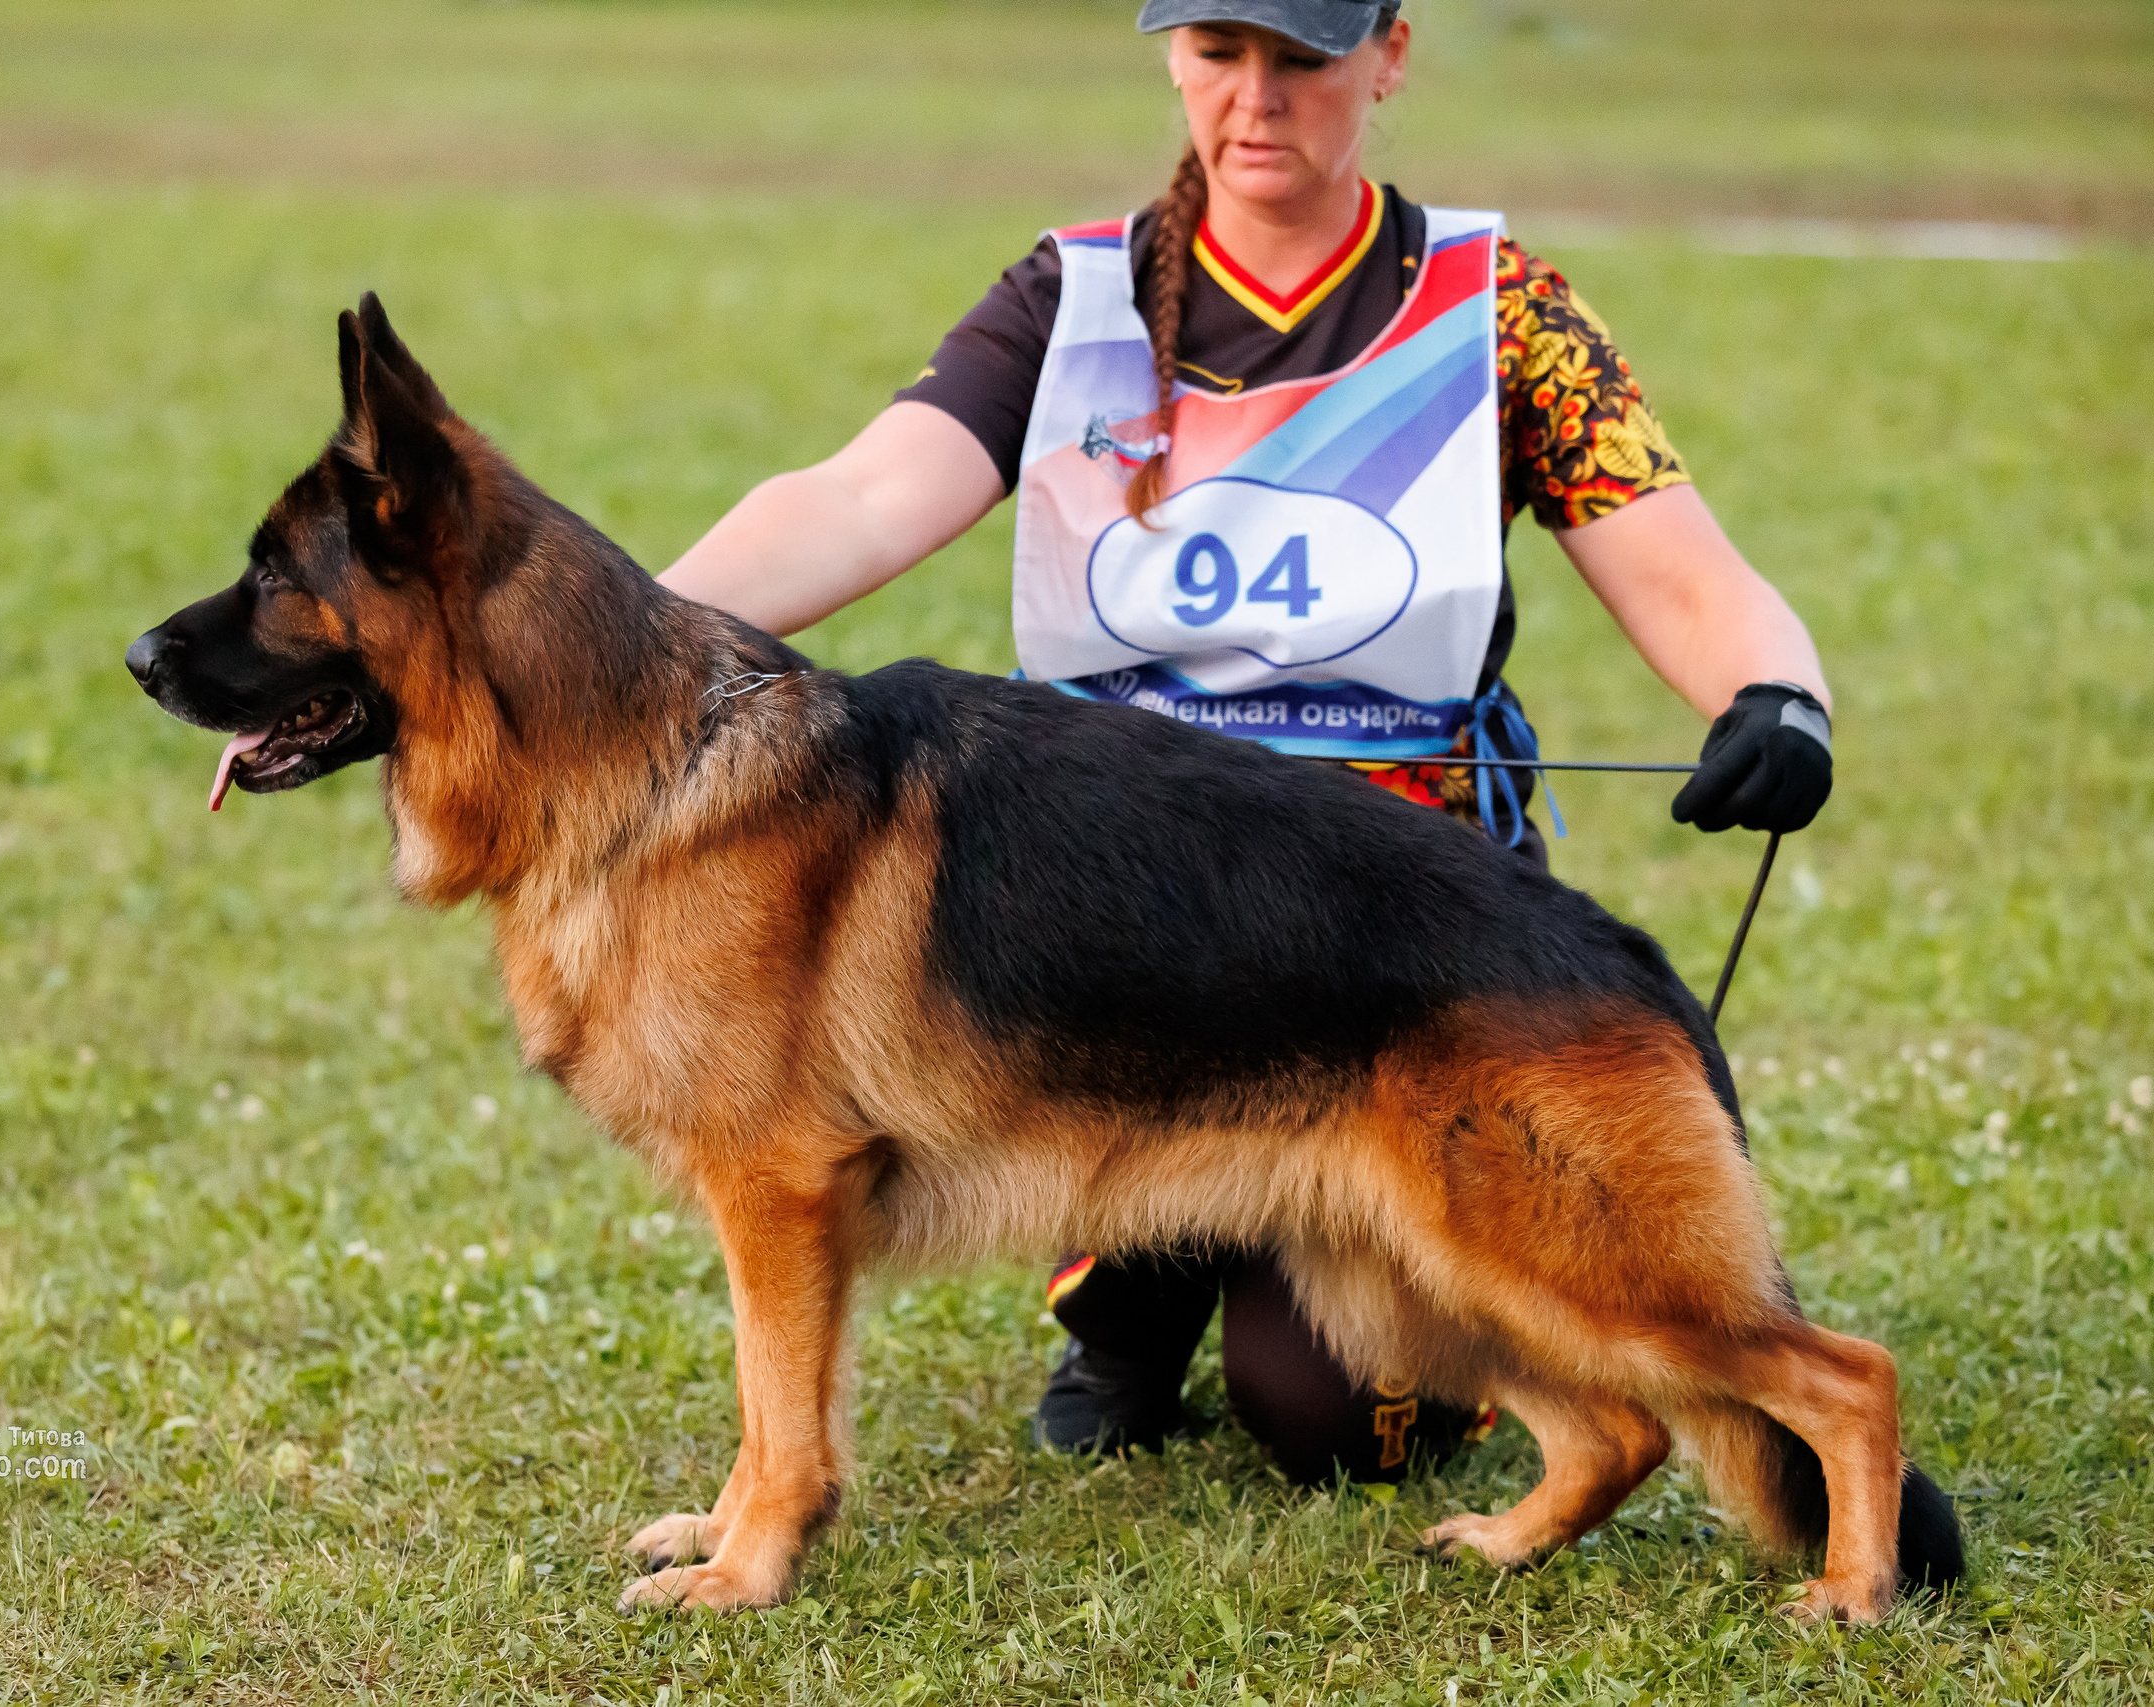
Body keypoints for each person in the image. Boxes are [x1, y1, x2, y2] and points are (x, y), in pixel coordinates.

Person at [658, 0, 1835, 1489]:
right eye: (1221, 54)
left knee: (1338, 1430)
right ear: (1172, 59)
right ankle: (1127, 1304)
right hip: (1111, 913)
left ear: (1390, 56)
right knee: (1078, 1118)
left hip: (1385, 941)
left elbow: (1683, 566)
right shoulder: (1072, 295)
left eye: (1303, 58)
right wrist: (629, 638)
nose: (1256, 101)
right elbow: (862, 497)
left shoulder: (1500, 309)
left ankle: (1262, 1288)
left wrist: (1775, 694)